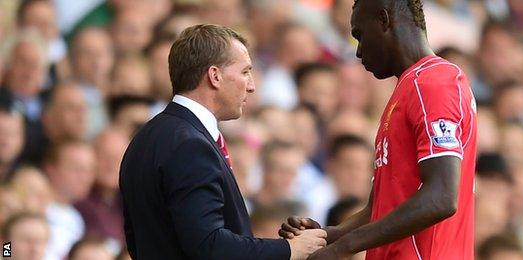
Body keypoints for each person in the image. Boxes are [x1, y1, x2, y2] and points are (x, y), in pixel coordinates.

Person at [280, 0, 478, 259]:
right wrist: (327, 236)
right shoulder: (407, 90)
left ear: (384, 20)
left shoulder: (434, 84)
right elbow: (380, 207)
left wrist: (343, 248)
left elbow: (441, 197)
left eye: (360, 36)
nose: (359, 51)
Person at [119, 24, 326, 260]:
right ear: (215, 76)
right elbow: (209, 245)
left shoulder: (147, 136)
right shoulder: (190, 146)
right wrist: (290, 250)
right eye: (245, 72)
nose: (252, 85)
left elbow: (138, 240)